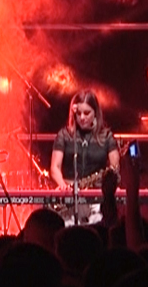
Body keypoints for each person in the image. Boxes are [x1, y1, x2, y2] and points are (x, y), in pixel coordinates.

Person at [49, 89, 121, 226]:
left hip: (97, 197)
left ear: (96, 113)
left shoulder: (106, 136)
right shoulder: (64, 135)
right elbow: (54, 167)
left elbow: (115, 167)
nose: (82, 117)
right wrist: (63, 186)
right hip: (70, 194)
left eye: (87, 113)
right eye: (78, 113)